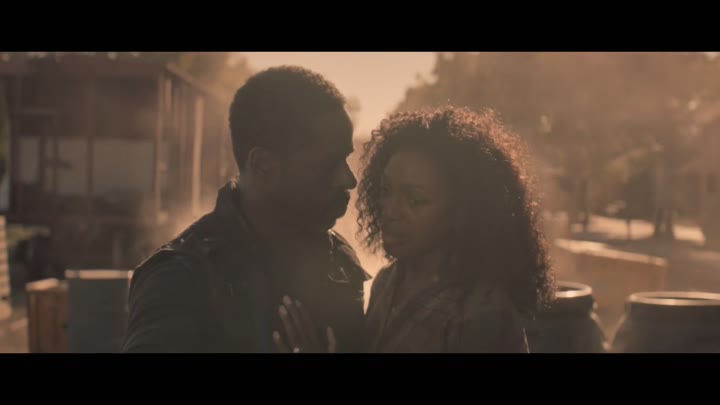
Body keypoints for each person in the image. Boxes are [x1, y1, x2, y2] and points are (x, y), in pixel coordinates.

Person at [122, 66, 370, 353]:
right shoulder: (180, 280)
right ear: (263, 166)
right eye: (328, 165)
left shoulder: (341, 263)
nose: (348, 180)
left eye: (346, 159)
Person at [355, 106, 555, 352]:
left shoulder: (480, 312)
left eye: (415, 200)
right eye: (385, 191)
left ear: (462, 213)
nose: (389, 211)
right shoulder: (386, 281)